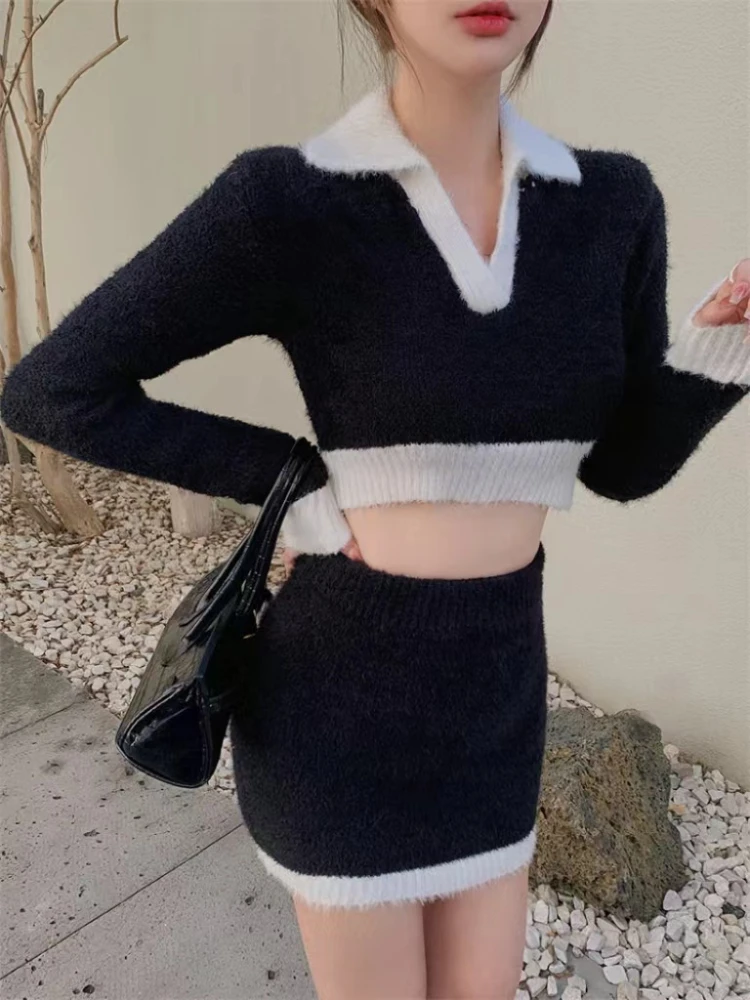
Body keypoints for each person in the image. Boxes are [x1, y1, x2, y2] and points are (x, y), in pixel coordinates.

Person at [2, 1, 749, 997]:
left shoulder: (611, 205)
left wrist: (719, 349)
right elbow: (53, 389)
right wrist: (292, 482)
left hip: (496, 705)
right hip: (338, 710)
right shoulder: (293, 202)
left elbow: (617, 467)